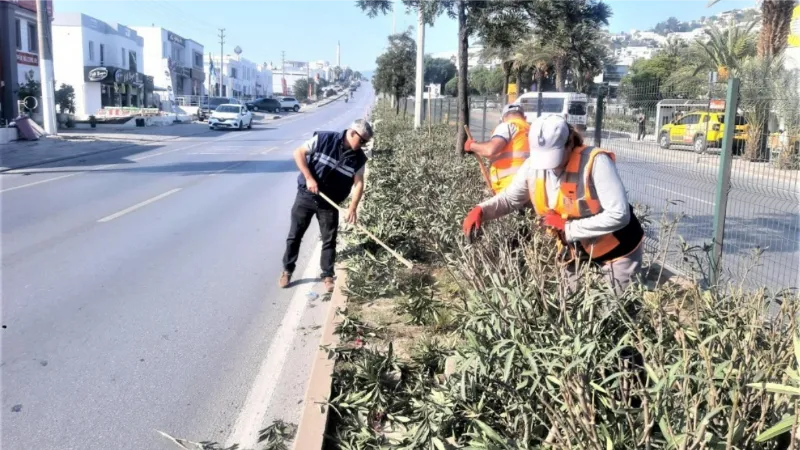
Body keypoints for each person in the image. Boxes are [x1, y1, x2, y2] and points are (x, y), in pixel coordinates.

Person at [462, 116, 645, 294]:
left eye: (554, 157)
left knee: (614, 312)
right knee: (569, 307)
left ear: (570, 144)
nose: (549, 166)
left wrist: (569, 228)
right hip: (575, 250)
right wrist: (482, 210)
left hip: (618, 249)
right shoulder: (532, 166)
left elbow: (619, 214)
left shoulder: (595, 162)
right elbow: (510, 199)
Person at [279, 119, 373, 292]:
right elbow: (298, 153)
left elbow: (359, 183)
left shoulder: (359, 158)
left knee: (329, 240)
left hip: (330, 203)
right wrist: (309, 178)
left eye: (365, 143)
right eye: (362, 141)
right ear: (352, 133)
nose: (363, 145)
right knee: (295, 236)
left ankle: (328, 275)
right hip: (306, 196)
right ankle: (287, 270)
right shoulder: (324, 139)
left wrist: (352, 207)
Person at [464, 104, 531, 194]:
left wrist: (471, 146)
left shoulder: (507, 126)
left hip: (509, 188)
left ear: (503, 118)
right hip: (530, 188)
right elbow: (507, 155)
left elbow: (490, 150)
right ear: (525, 117)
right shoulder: (531, 129)